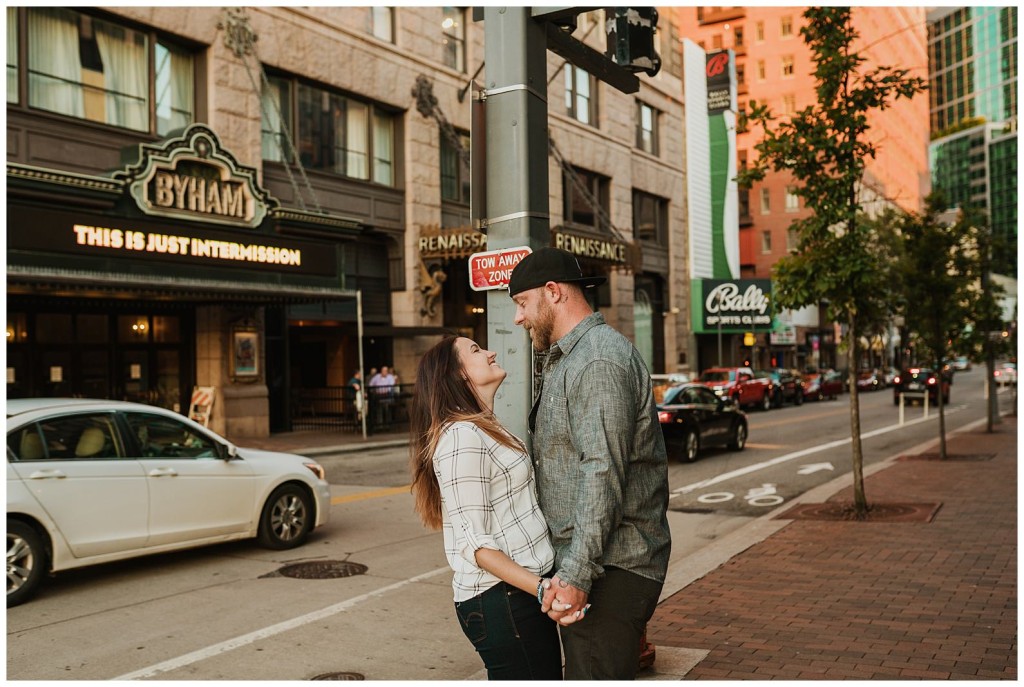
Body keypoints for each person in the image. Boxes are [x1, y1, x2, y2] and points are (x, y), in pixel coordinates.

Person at [507, 247, 672, 680]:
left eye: (522, 304)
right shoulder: (570, 357)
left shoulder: (597, 360)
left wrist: (577, 576)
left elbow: (603, 474)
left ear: (552, 292)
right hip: (596, 564)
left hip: (610, 570)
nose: (518, 318)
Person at [409, 336, 569, 680]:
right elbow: (476, 545)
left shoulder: (484, 427)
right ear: (458, 376)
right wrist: (542, 588)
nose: (491, 351)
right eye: (476, 351)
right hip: (503, 599)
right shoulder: (460, 438)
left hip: (519, 594)